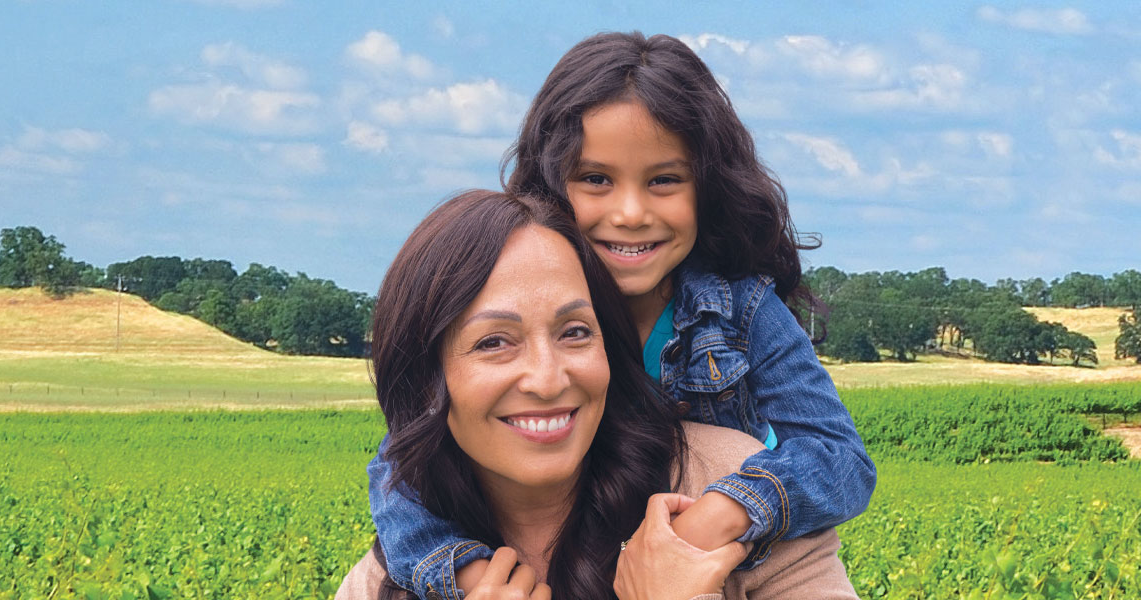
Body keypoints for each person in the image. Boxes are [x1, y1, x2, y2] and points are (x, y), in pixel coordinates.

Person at [367, 32, 876, 597]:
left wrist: (720, 512)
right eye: (596, 180)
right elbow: (403, 460)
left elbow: (839, 455)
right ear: (550, 185)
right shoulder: (524, 282)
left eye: (663, 180)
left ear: (708, 188)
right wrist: (464, 576)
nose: (630, 213)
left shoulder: (741, 309)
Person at [336, 190, 854, 599]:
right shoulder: (385, 579)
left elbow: (838, 455)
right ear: (426, 377)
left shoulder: (729, 481)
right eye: (494, 342)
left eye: (575, 332)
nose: (548, 380)